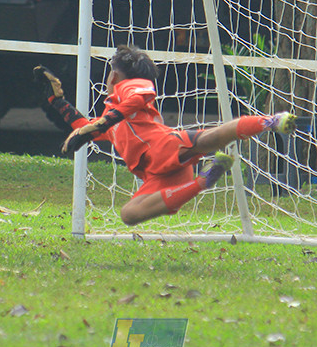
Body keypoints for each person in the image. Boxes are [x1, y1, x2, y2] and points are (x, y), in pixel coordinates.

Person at [36, 46, 297, 225]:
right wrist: (57, 100)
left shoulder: (130, 85)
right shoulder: (112, 117)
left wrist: (99, 125)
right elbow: (83, 125)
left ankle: (271, 122)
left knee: (210, 139)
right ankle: (205, 180)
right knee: (129, 214)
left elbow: (142, 96)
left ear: (114, 75)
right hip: (155, 175)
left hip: (164, 146)